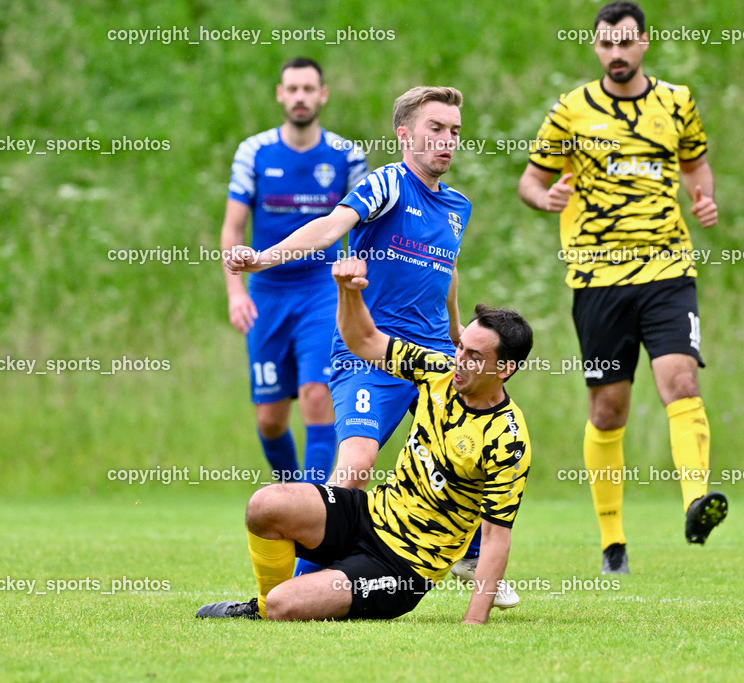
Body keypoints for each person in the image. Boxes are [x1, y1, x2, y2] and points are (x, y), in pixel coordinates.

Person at [225, 86, 518, 604]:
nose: (447, 141)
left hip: (433, 358)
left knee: (467, 452)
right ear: (405, 134)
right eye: (435, 129)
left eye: (454, 131)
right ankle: (297, 586)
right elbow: (331, 226)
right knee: (355, 466)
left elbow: (445, 271)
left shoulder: (457, 206)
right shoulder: (388, 183)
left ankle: (469, 552)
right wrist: (265, 259)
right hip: (372, 353)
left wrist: (454, 333)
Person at [196, 258, 533, 623]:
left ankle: (272, 607)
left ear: (504, 369)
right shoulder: (438, 370)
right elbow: (365, 340)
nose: (459, 360)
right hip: (369, 515)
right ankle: (262, 607)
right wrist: (348, 290)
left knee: (285, 605)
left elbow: (496, 538)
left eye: (474, 356)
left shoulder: (507, 439)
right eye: (461, 347)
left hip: (405, 565)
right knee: (266, 504)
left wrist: (473, 621)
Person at [517, 1, 727, 575]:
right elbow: (530, 182)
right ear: (596, 47)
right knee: (609, 410)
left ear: (643, 43)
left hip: (667, 271)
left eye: (625, 42)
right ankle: (613, 542)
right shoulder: (571, 111)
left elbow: (695, 166)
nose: (616, 53)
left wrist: (702, 196)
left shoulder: (678, 102)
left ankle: (696, 502)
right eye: (606, 43)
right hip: (599, 277)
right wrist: (546, 198)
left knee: (680, 379)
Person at [221, 57, 367, 488]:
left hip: (322, 290)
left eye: (309, 89)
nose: (301, 97)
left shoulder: (346, 155)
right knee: (269, 419)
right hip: (266, 291)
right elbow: (232, 227)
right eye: (293, 89)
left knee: (317, 395)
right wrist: (235, 292)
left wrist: (357, 280)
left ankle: (313, 504)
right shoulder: (255, 151)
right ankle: (290, 491)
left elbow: (364, 223)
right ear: (280, 95)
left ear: (322, 95)